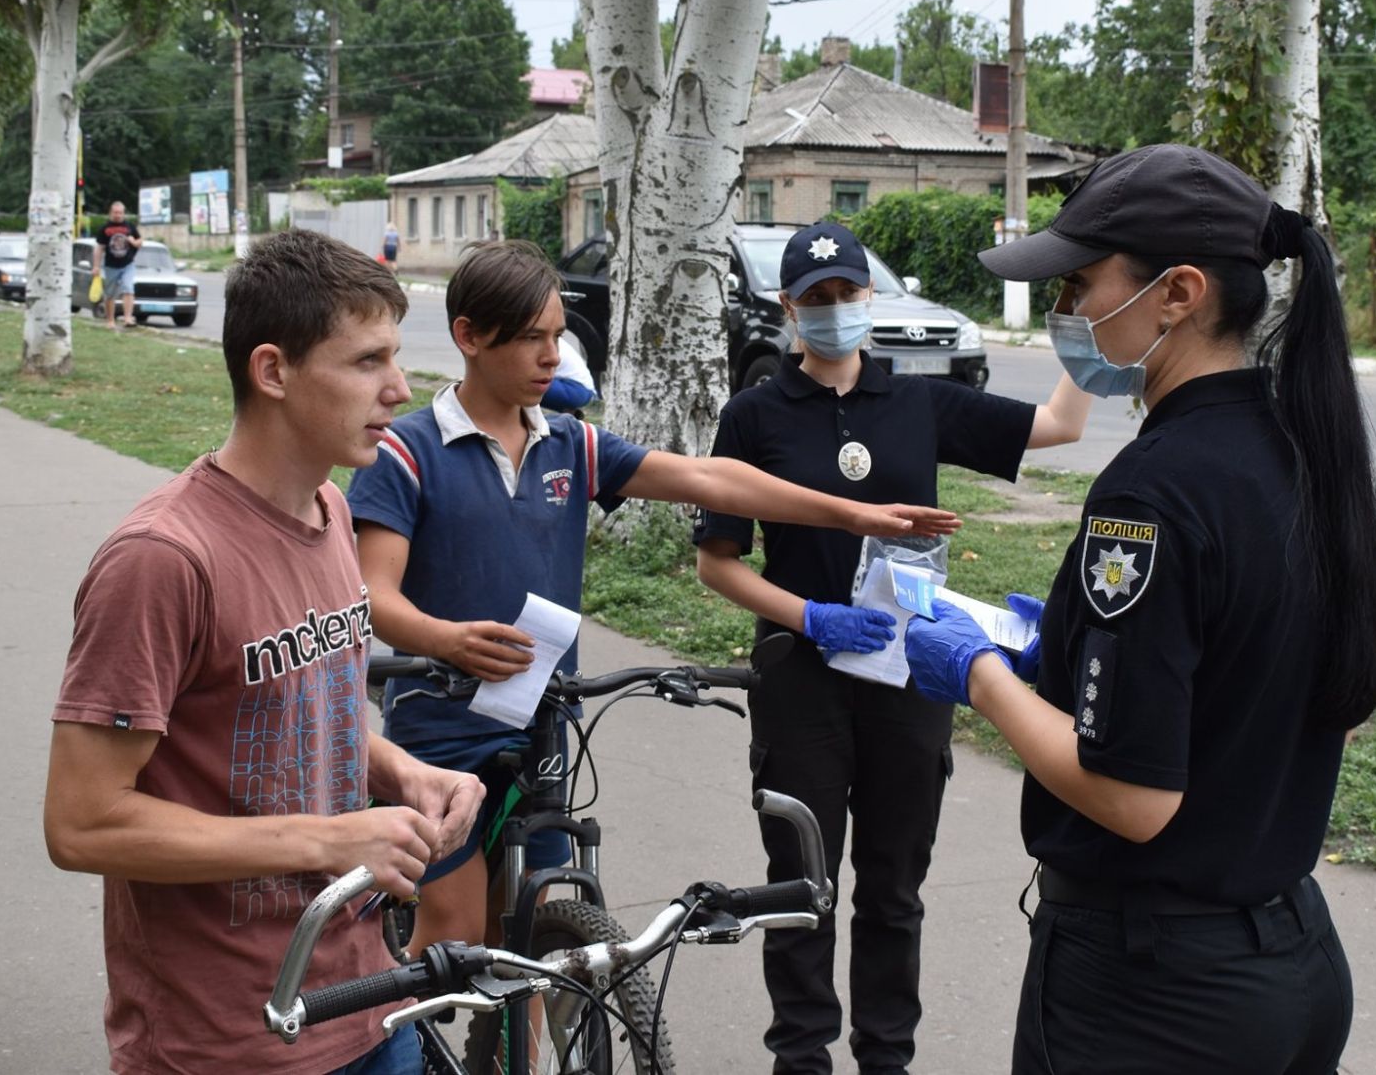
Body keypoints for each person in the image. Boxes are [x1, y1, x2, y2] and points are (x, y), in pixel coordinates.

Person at [902, 144, 1376, 1075]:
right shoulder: (1302, 450)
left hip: (1154, 995)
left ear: (1178, 293)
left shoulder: (1153, 495)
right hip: (1288, 962)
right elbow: (1247, 681)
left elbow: (1132, 799)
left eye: (1081, 285)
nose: (1067, 314)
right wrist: (1070, 660)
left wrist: (976, 671)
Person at [347, 239, 960, 960]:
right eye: (531, 339)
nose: (553, 357)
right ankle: (393, 1041)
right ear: (470, 338)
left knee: (532, 937)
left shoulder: (571, 444)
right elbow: (373, 597)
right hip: (442, 730)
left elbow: (712, 480)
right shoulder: (408, 453)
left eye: (558, 338)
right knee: (452, 925)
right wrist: (445, 639)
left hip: (542, 723)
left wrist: (851, 513)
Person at [44, 229, 487, 1075]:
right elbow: (81, 821)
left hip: (364, 1002)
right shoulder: (163, 558)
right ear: (274, 371)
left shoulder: (327, 508)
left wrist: (403, 773)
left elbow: (294, 712)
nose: (400, 389)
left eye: (396, 358)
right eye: (367, 363)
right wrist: (326, 841)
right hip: (229, 1038)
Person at [692, 221, 1093, 1075]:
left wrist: (1088, 333)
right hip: (801, 679)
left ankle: (886, 1061)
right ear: (787, 307)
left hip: (909, 678)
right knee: (802, 886)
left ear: (870, 298)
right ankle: (800, 1058)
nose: (835, 311)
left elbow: (1059, 426)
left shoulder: (918, 401)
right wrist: (810, 617)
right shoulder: (756, 413)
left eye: (848, 294)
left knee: (894, 890)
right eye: (817, 299)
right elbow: (716, 564)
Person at [97, 200, 143, 328]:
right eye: (115, 212)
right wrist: (95, 266)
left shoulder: (130, 227)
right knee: (110, 294)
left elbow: (140, 242)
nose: (118, 215)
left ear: (124, 214)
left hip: (127, 264)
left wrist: (133, 242)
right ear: (111, 213)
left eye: (120, 213)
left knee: (128, 288)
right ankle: (110, 320)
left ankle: (128, 318)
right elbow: (99, 248)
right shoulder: (105, 229)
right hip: (111, 266)